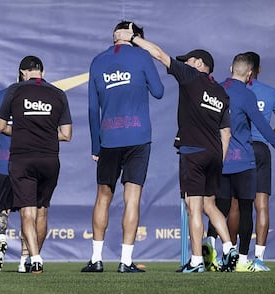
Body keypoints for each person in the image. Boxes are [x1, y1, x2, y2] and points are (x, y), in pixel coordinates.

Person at [115, 23, 238, 273]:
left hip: (193, 152)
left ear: (200, 64)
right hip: (215, 154)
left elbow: (159, 55)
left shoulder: (191, 76)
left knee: (194, 207)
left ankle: (195, 262)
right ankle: (229, 248)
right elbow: (226, 132)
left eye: (189, 60)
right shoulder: (221, 93)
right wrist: (220, 159)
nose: (186, 63)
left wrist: (134, 38)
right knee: (209, 205)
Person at [81, 21, 164, 274]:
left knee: (103, 197)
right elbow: (159, 92)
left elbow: (92, 108)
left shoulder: (97, 61)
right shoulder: (142, 56)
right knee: (132, 198)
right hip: (138, 136)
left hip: (109, 138)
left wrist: (96, 144)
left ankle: (96, 259)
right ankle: (126, 261)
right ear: (136, 37)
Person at [205, 53, 275, 272]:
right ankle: (244, 260)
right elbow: (263, 126)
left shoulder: (214, 88)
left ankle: (212, 252)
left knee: (220, 207)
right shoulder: (247, 94)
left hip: (220, 157)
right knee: (247, 208)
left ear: (231, 68)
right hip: (244, 158)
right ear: (251, 72)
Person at [0, 56, 72, 274]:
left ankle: (35, 258)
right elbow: (66, 135)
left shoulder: (14, 91)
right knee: (42, 212)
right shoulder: (58, 94)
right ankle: (33, 259)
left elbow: (0, 127)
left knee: (27, 213)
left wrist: (21, 131)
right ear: (43, 72)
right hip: (49, 159)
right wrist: (45, 134)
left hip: (22, 159)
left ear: (22, 72)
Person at [0, 69, 30, 272]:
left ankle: (1, 237)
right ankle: (24, 261)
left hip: (3, 163)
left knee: (2, 209)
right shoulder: (35, 98)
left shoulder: (2, 95)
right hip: (28, 163)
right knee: (28, 214)